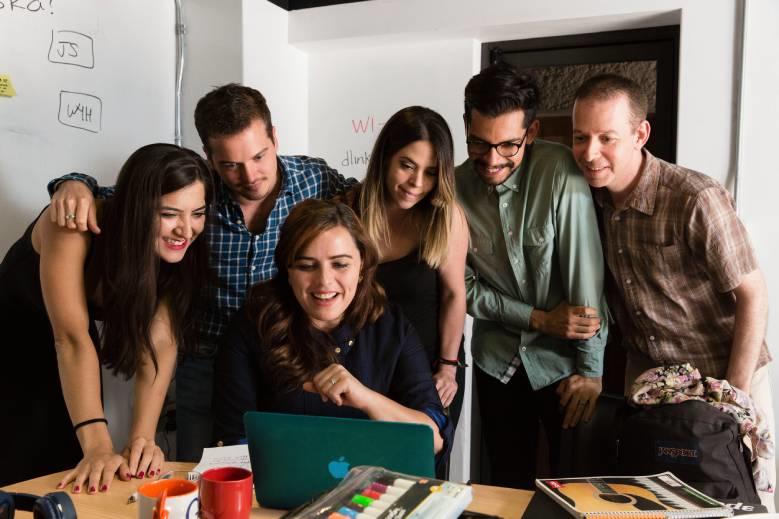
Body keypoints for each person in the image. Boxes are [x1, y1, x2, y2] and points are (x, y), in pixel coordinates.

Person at [47, 84, 356, 462]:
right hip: (205, 357)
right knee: (198, 471)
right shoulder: (195, 190)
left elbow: (373, 206)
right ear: (209, 157)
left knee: (281, 468)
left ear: (275, 137)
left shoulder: (316, 179)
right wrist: (75, 181)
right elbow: (128, 197)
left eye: (260, 156)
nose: (251, 175)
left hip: (280, 355)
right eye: (230, 165)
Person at [571, 73, 774, 508]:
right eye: (580, 137)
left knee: (741, 506)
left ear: (640, 134)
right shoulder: (593, 200)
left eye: (606, 137)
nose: (590, 153)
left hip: (724, 376)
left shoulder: (694, 197)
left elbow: (753, 295)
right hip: (656, 387)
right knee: (651, 507)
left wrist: (731, 402)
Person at [0, 143, 212, 492]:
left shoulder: (179, 248)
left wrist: (142, 439)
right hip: (13, 348)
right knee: (25, 471)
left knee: (75, 477)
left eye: (197, 213)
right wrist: (98, 445)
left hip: (67, 356)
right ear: (136, 208)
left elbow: (160, 340)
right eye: (169, 214)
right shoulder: (75, 224)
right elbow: (71, 338)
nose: (185, 229)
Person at [455, 62, 608, 489]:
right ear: (466, 124)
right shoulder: (455, 188)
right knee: (505, 484)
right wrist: (537, 318)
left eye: (508, 146)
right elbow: (462, 287)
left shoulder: (559, 171)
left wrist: (592, 371)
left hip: (564, 364)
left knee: (575, 488)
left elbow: (586, 281)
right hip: (495, 360)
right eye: (479, 143)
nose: (491, 160)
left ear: (533, 132)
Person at [212, 199, 451, 468]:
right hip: (277, 501)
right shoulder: (251, 325)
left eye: (340, 264)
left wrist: (366, 398)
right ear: (287, 271)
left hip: (374, 496)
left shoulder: (392, 326)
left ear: (362, 266)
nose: (324, 282)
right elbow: (232, 444)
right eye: (306, 265)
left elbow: (434, 440)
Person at [340, 106, 468, 437]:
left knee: (426, 471)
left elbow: (455, 295)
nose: (416, 183)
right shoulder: (347, 212)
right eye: (407, 165)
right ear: (385, 158)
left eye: (430, 172)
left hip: (431, 367)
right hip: (364, 364)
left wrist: (448, 369)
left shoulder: (446, 216)